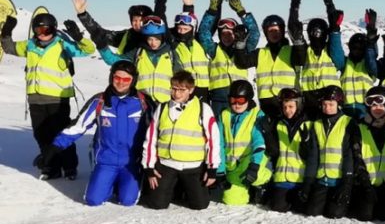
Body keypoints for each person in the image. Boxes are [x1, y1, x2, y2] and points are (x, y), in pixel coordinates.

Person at [36, 61, 150, 205]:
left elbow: (157, 129)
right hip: (105, 161)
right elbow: (78, 126)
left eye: (126, 79)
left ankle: (126, 184)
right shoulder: (100, 101)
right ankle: (108, 183)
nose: (121, 83)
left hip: (131, 162)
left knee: (127, 200)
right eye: (117, 78)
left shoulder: (143, 102)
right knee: (93, 200)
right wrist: (53, 149)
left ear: (133, 80)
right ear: (111, 77)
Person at [2, 12, 96, 180]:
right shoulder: (30, 45)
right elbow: (9, 48)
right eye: (38, 30)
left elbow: (88, 50)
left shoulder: (62, 44)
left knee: (61, 134)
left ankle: (69, 167)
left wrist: (78, 37)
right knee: (41, 134)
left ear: (53, 29)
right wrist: (6, 32)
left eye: (46, 30)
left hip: (57, 99)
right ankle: (51, 167)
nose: (42, 34)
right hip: (35, 98)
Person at [141, 71, 222, 210]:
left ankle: (184, 188)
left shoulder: (203, 108)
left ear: (190, 90)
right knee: (156, 204)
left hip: (193, 167)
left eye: (181, 90)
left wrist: (212, 168)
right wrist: (149, 167)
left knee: (200, 205)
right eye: (174, 88)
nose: (176, 94)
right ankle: (171, 187)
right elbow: (151, 138)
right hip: (167, 164)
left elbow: (213, 140)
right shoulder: (162, 108)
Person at [233, 0, 305, 119]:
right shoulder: (260, 53)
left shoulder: (291, 51)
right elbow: (241, 63)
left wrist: (295, 6)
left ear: (282, 31)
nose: (274, 33)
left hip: (288, 102)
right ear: (266, 33)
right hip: (267, 103)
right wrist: (240, 44)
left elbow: (301, 59)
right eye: (270, 31)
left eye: (277, 30)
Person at [195, 0, 260, 116]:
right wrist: (212, 11)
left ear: (235, 34)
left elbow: (254, 33)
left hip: (240, 97)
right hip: (219, 98)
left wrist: (242, 13)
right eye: (223, 33)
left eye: (230, 33)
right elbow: (204, 32)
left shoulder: (243, 48)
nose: (227, 36)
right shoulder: (213, 49)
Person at [96, 15, 180, 106]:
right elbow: (115, 61)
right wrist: (102, 48)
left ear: (162, 38)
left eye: (157, 39)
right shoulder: (137, 52)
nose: (153, 43)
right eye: (150, 39)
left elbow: (180, 80)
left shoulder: (171, 54)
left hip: (165, 103)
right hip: (141, 102)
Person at [351, 86, 385, 221]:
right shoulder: (360, 128)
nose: (376, 108)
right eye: (372, 105)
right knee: (365, 215)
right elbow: (356, 157)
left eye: (380, 104)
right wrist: (365, 185)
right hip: (367, 185)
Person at [217, 80, 272, 206]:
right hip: (233, 164)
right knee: (231, 200)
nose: (236, 104)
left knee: (254, 175)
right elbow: (218, 144)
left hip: (252, 159)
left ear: (248, 99)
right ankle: (247, 189)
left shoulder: (257, 114)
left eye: (241, 100)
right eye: (233, 100)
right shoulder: (224, 115)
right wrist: (220, 171)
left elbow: (259, 143)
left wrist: (254, 166)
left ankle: (263, 181)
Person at [305, 85, 355, 218]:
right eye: (325, 104)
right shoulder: (317, 124)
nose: (327, 108)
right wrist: (308, 182)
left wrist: (347, 183)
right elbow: (313, 156)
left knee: (334, 213)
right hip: (322, 179)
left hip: (339, 180)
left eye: (331, 104)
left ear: (339, 104)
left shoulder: (348, 122)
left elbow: (348, 154)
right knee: (312, 213)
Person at [267, 89, 319, 213]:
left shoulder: (308, 125)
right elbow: (274, 152)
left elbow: (310, 155)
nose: (287, 110)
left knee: (301, 208)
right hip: (282, 179)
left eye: (291, 106)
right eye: (284, 107)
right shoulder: (279, 124)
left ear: (298, 105)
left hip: (299, 179)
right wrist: (268, 134)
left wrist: (306, 142)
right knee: (277, 207)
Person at [299, 0, 346, 115]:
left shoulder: (331, 49)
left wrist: (329, 3)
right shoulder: (305, 51)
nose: (316, 36)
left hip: (330, 97)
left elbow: (334, 30)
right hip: (309, 98)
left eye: (319, 33)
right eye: (313, 33)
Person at [340, 9, 379, 119]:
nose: (357, 50)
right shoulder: (345, 63)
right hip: (346, 109)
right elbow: (336, 53)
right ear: (349, 47)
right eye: (354, 47)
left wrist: (371, 31)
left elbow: (372, 57)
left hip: (365, 109)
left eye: (361, 48)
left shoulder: (368, 65)